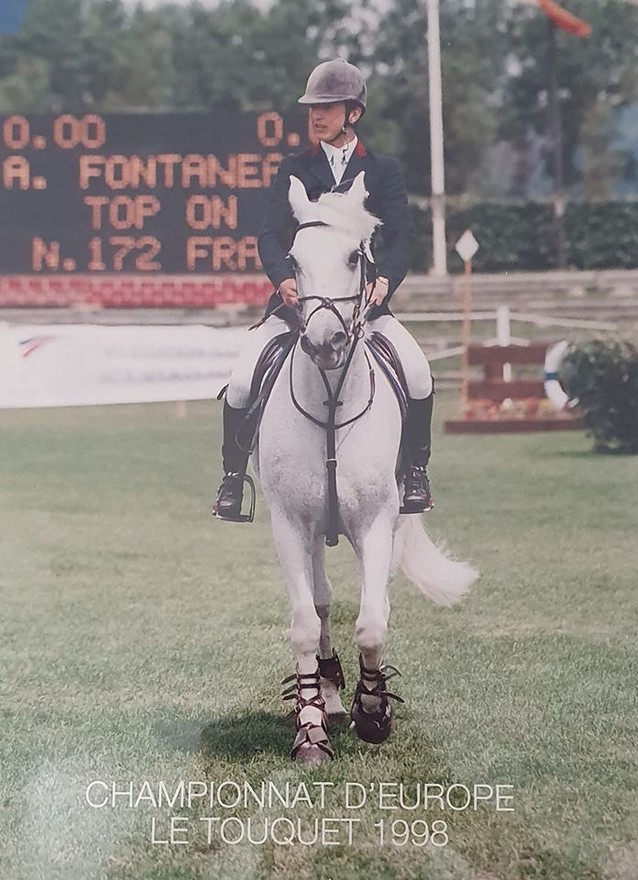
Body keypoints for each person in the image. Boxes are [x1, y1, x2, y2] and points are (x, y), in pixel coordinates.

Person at [213, 59, 434, 521]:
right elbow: (270, 235)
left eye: (327, 108)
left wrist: (385, 280)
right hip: (299, 306)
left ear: (353, 113)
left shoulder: (382, 171)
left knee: (419, 374)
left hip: (364, 308)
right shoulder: (294, 167)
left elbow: (402, 238)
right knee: (239, 381)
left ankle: (415, 472)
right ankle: (233, 479)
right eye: (313, 108)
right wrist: (284, 279)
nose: (316, 116)